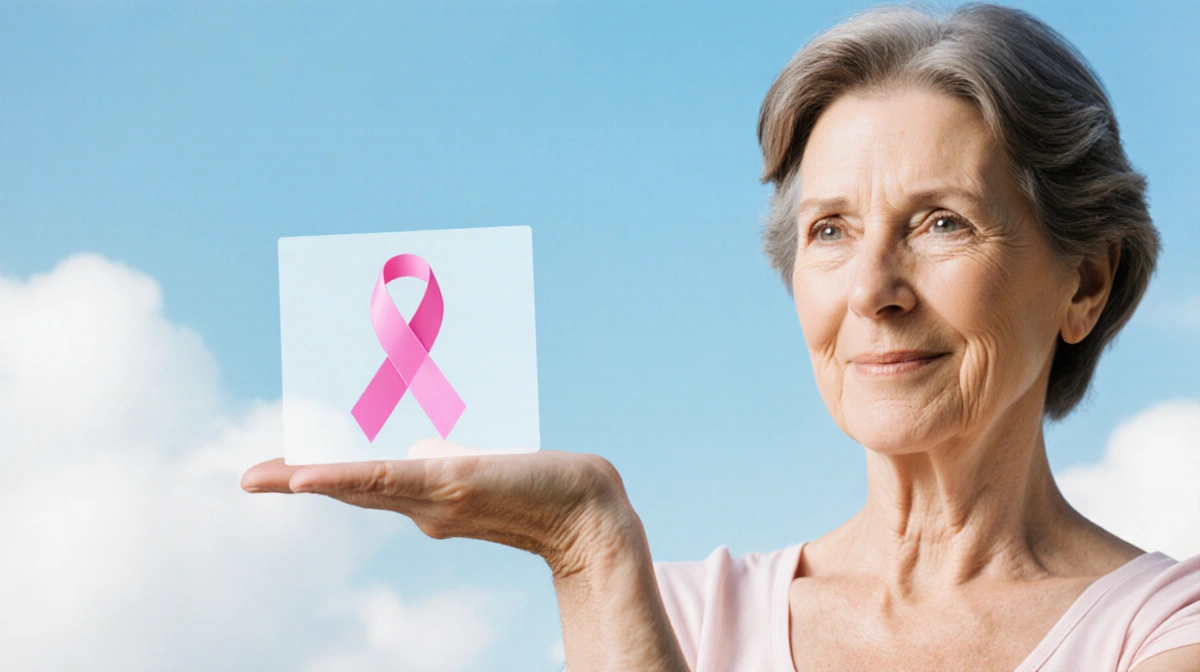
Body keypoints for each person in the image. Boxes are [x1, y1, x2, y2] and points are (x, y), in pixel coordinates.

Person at [241, 3, 1200, 670]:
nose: (872, 289)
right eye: (830, 231)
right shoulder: (678, 615)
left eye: (941, 222)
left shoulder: (1164, 628)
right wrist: (587, 547)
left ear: (1087, 280)